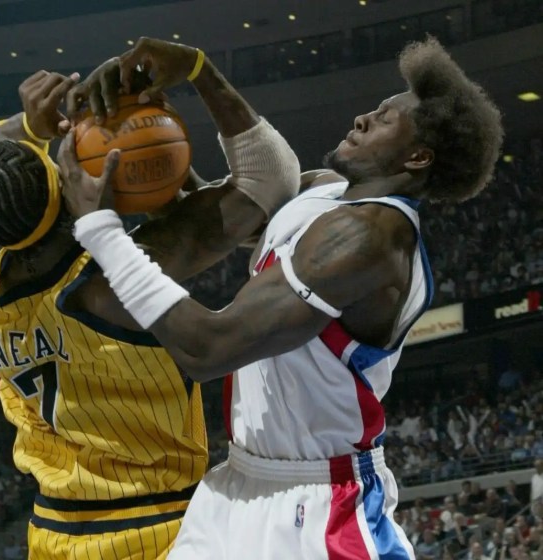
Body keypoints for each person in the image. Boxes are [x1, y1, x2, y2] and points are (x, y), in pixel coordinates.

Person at [66, 35, 504, 559]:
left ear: (417, 156)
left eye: (385, 119)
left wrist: (100, 229)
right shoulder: (325, 190)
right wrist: (178, 97)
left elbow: (208, 349)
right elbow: (234, 205)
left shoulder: (369, 239)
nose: (363, 118)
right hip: (236, 482)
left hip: (320, 506)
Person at [0, 41, 300, 559]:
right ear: (64, 190)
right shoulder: (115, 279)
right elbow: (270, 179)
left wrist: (32, 126)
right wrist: (199, 70)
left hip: (51, 533)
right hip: (157, 530)